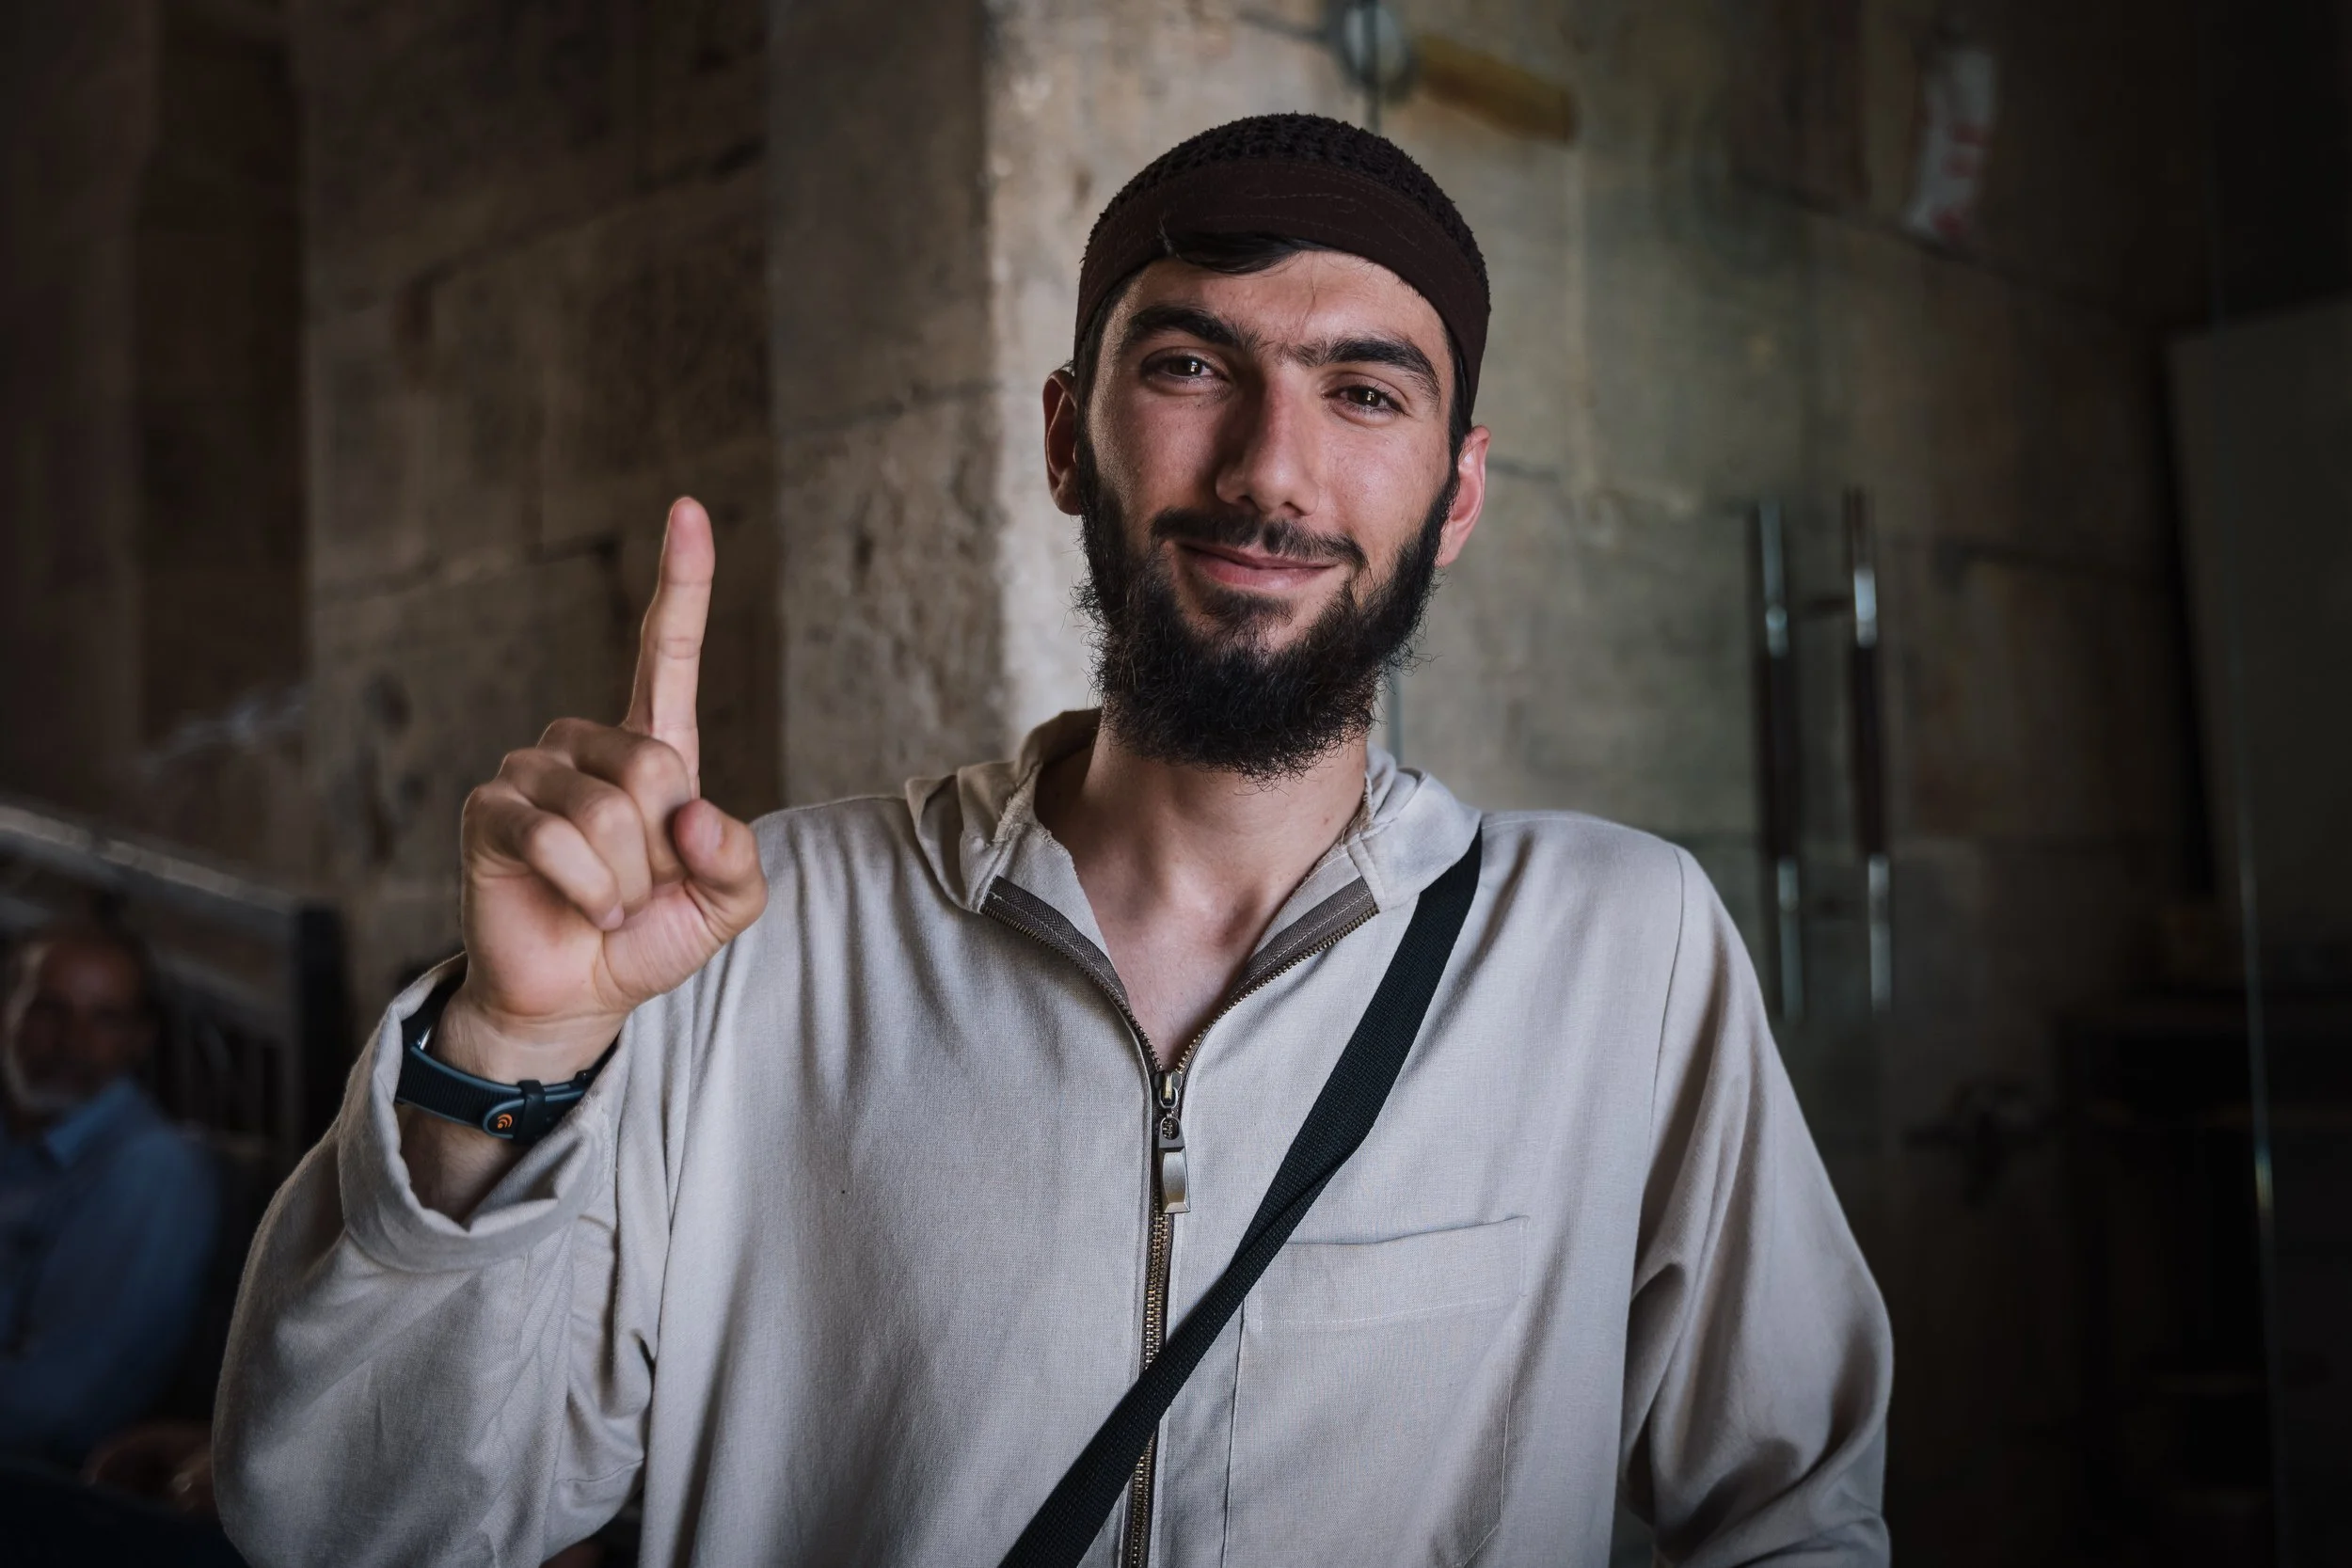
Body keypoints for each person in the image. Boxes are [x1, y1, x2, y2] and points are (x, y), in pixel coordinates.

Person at [216, 115, 1891, 1566]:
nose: (1268, 470)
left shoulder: (1618, 951)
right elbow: (348, 1524)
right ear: (1062, 437)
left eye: (1363, 392)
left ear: (1453, 496)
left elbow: (1794, 1512)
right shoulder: (754, 942)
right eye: (1187, 367)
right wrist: (507, 1048)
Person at [1, 919, 220, 1466]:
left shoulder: (150, 1174)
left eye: (105, 1019)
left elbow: (54, 1410)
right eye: (49, 1009)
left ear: (139, 1040)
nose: (73, 1042)